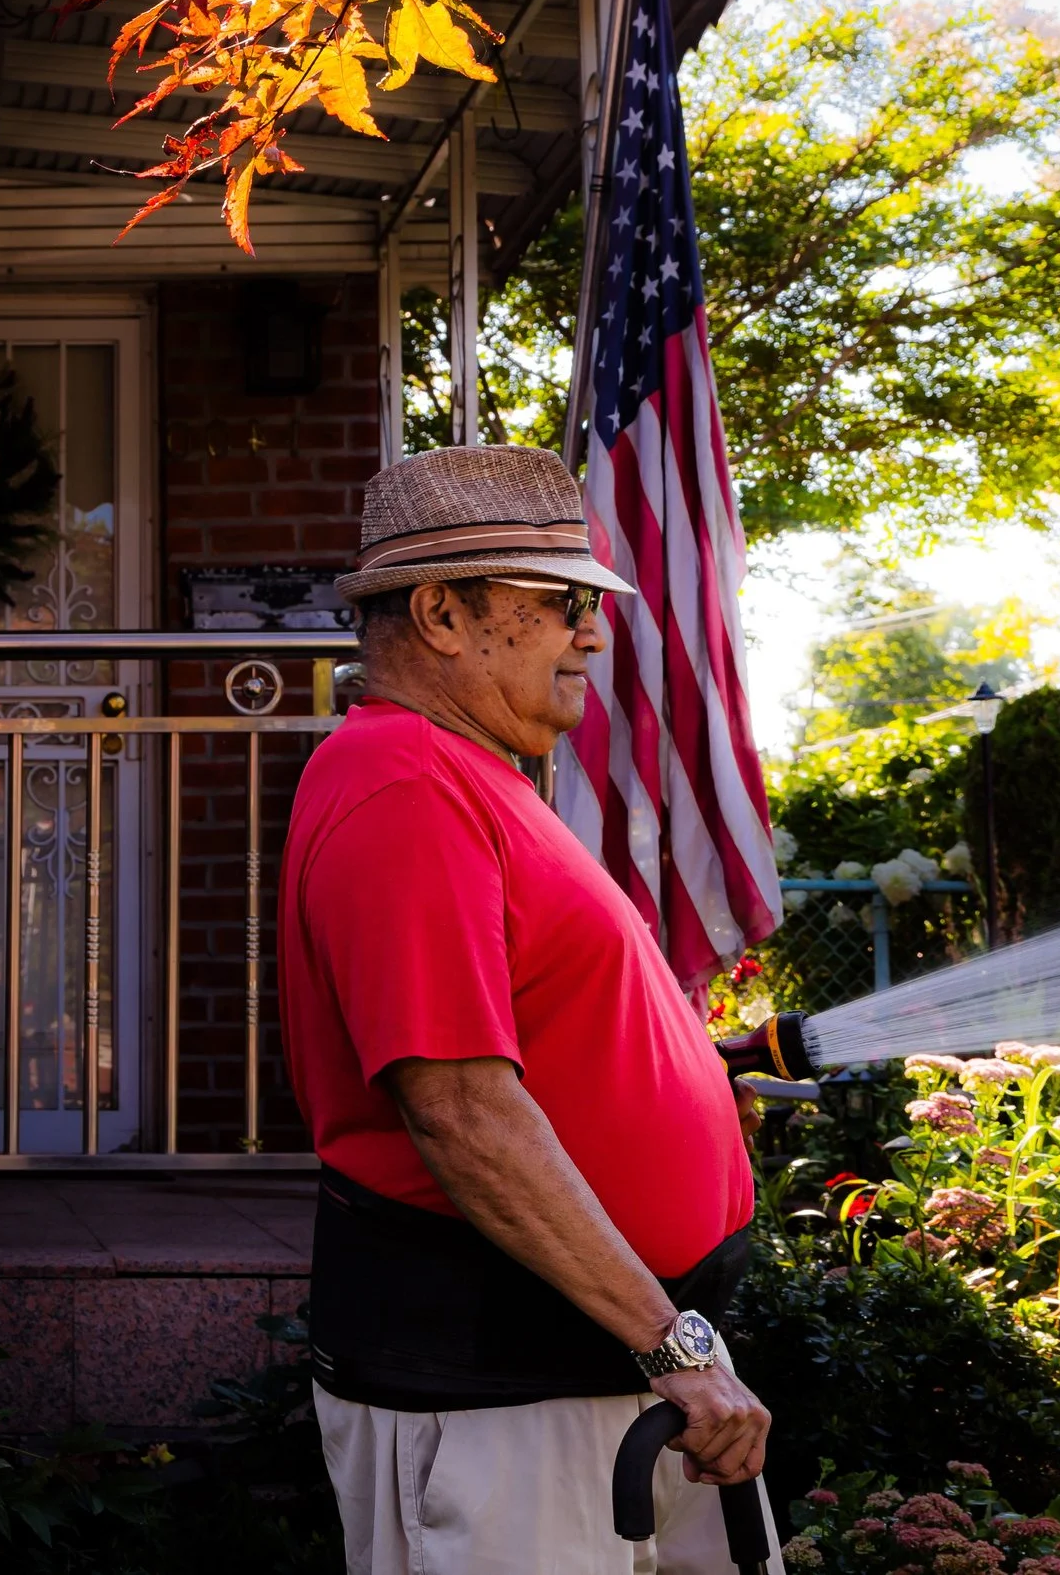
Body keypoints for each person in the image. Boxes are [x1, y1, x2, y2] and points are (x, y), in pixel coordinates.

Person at [279, 444, 781, 1575]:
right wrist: (675, 1347)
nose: (592, 635)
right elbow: (458, 1109)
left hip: (605, 1376)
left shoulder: (471, 771)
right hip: (506, 1399)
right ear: (442, 613)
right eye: (561, 604)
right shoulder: (407, 783)